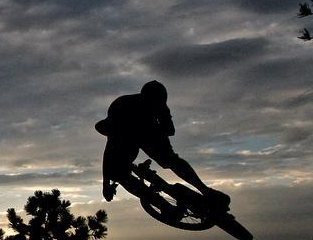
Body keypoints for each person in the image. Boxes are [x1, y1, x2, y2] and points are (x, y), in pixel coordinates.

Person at [97, 80, 229, 206]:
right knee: (119, 172)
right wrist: (106, 183)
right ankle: (158, 202)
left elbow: (170, 130)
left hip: (149, 132)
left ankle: (206, 191)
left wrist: (154, 131)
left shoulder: (160, 106)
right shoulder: (122, 108)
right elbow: (110, 151)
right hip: (126, 134)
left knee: (170, 160)